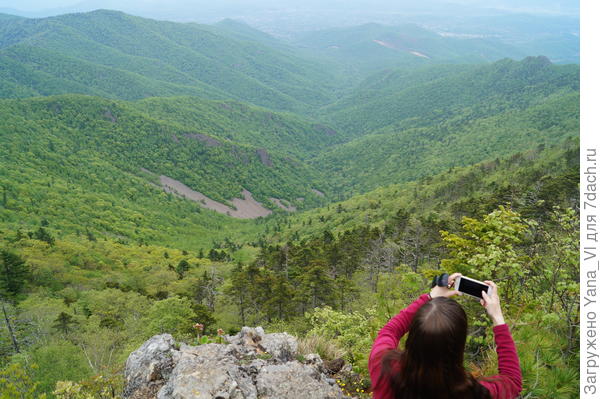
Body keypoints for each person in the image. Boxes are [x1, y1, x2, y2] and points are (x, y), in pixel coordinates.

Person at [368, 273, 522, 399]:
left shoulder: (384, 367)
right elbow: (512, 381)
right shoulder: (473, 392)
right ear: (459, 346)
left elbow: (390, 331)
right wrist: (497, 317)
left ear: (413, 337)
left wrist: (430, 296)